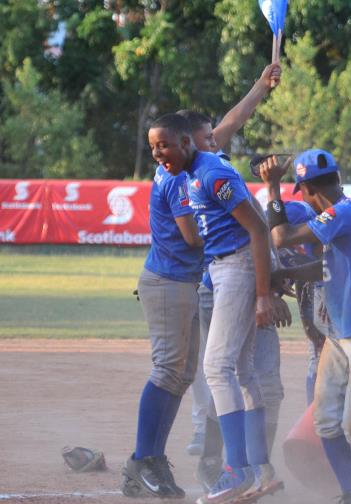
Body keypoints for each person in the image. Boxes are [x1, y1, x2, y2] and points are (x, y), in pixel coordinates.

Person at [262, 149, 351, 504]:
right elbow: (328, 265)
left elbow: (280, 237)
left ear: (307, 190)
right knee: (326, 422)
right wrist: (287, 274)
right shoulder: (348, 213)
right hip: (339, 335)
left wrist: (274, 187)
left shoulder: (341, 213)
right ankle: (350, 492)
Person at [178, 62, 281, 457]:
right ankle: (237, 460)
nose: (216, 140)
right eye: (208, 136)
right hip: (212, 276)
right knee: (226, 370)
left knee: (220, 368)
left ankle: (238, 465)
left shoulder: (209, 169)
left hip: (230, 270)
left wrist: (260, 85)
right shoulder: (186, 169)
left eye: (211, 135)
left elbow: (235, 119)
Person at [121, 113, 204, 499]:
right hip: (169, 281)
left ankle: (149, 461)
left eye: (162, 145)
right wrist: (237, 233)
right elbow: (191, 238)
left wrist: (259, 87)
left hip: (177, 281)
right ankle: (144, 459)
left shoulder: (189, 164)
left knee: (182, 373)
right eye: (153, 147)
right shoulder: (177, 177)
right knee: (168, 368)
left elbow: (230, 125)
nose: (157, 152)